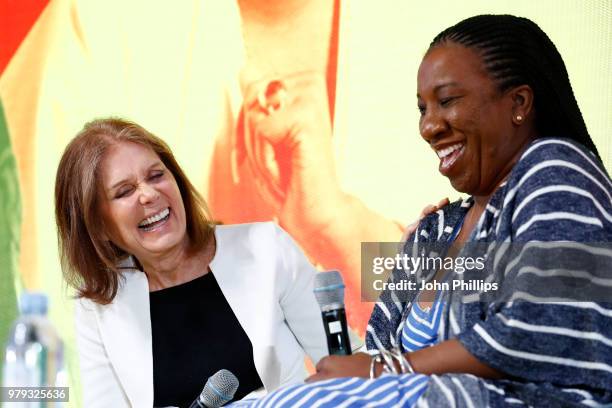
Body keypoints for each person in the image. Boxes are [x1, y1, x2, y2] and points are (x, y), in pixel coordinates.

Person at [228, 14, 612, 407]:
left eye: (446, 101)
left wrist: (386, 371)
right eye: (422, 109)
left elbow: (543, 326)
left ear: (518, 103)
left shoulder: (556, 169)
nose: (429, 127)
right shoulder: (437, 230)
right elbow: (376, 353)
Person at [54, 118, 327, 407]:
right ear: (97, 226)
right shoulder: (99, 303)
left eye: (156, 175)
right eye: (124, 192)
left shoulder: (265, 248)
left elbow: (346, 363)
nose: (148, 194)